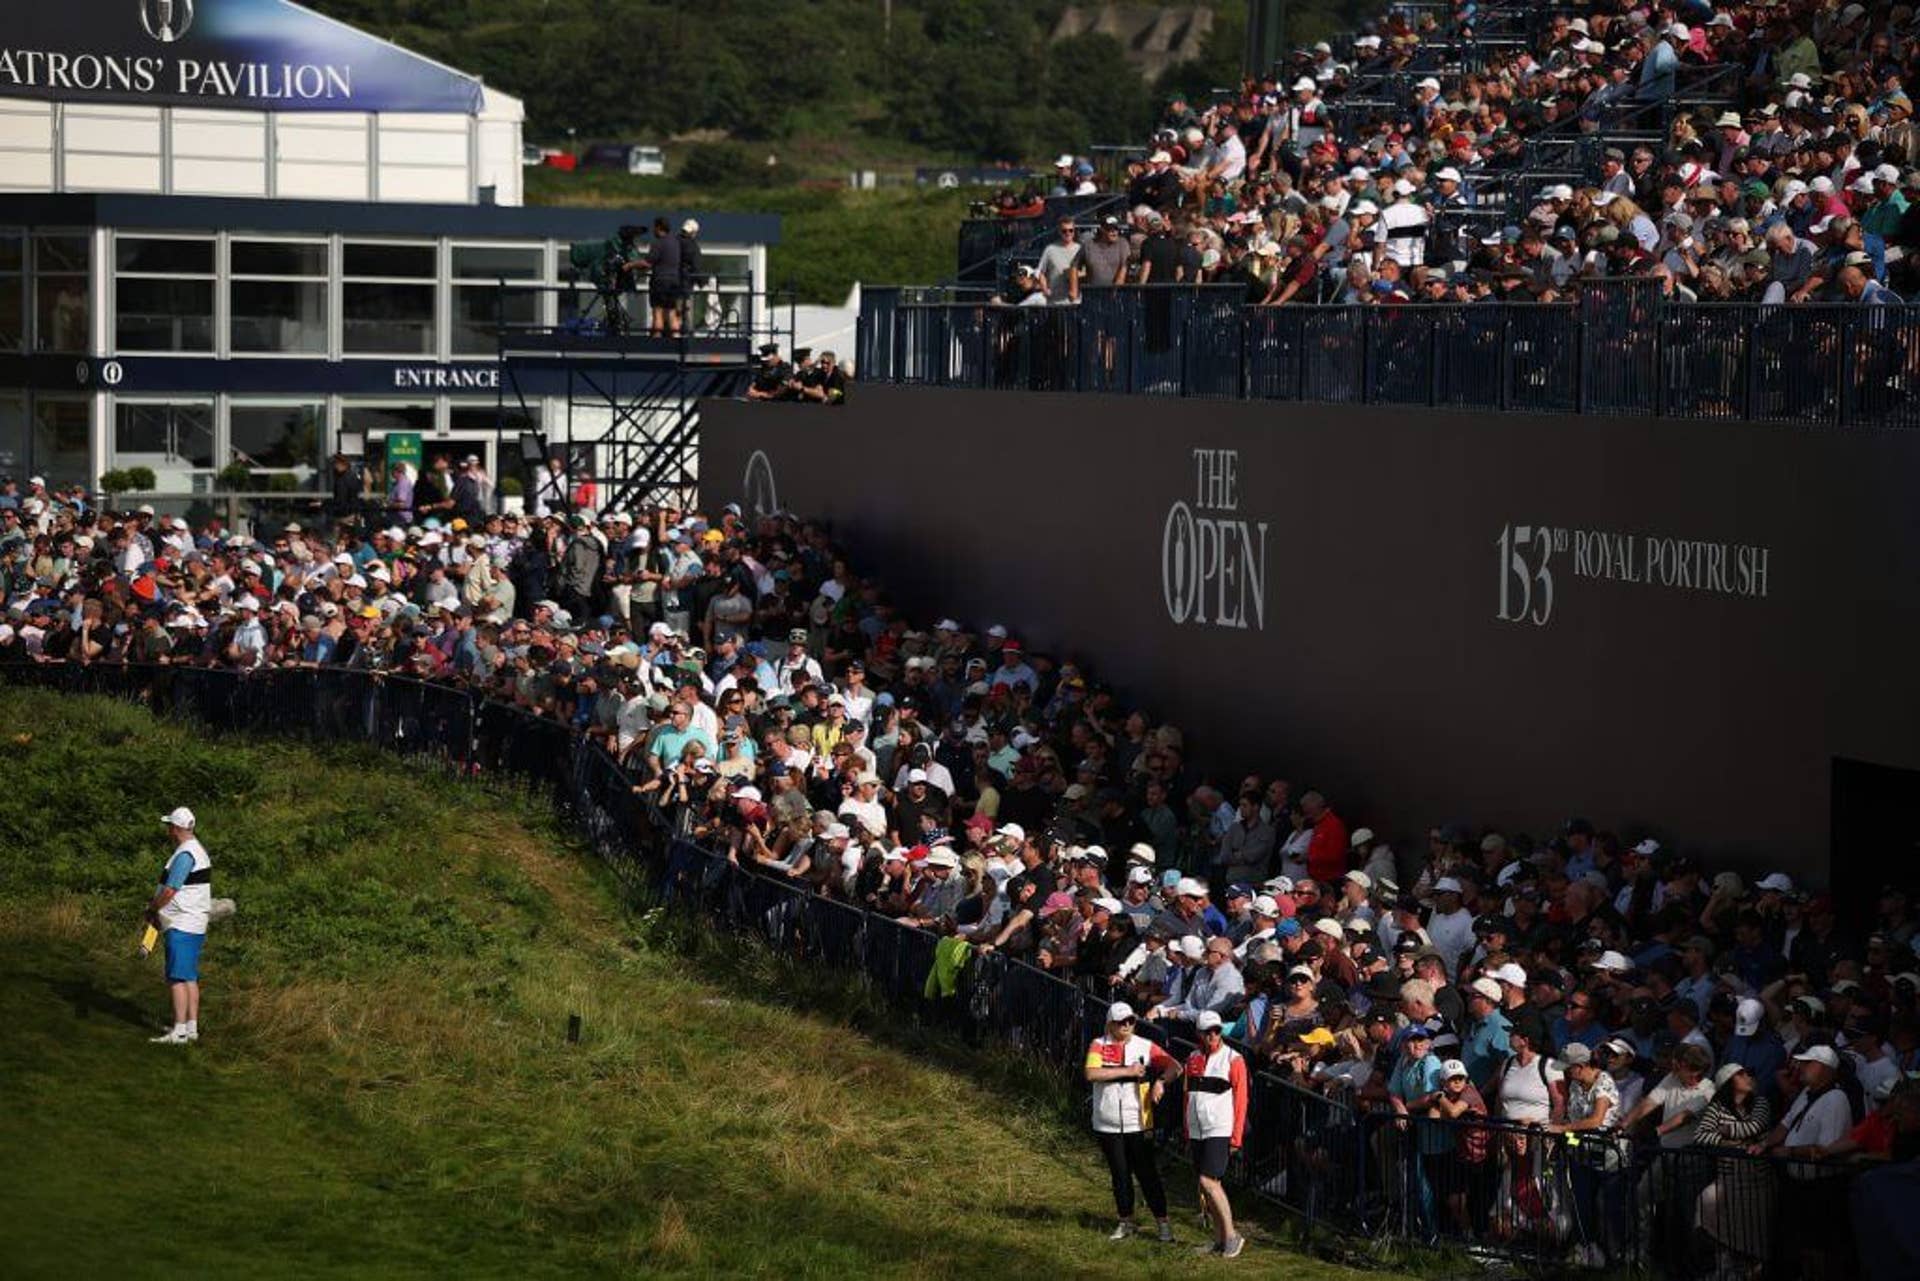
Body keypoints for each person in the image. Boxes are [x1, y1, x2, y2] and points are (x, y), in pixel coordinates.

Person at [1085, 1000, 1181, 1242]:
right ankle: (1125, 1221)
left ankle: (1163, 1223)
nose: (1126, 1026)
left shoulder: (1145, 1046)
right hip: (1106, 1121)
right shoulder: (1098, 1045)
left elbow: (1175, 1066)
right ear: (1110, 1024)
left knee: (1147, 1173)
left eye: (1130, 1021)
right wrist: (1126, 1072)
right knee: (1119, 1173)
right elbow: (1091, 1073)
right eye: (1121, 1022)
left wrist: (1161, 1082)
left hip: (1138, 1121)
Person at [1184, 1009, 1249, 1257]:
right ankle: (1220, 1239)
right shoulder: (1192, 1058)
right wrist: (1188, 1131)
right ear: (1199, 1033)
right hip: (1198, 1129)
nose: (1212, 1035)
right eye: (1207, 1031)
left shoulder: (1234, 1059)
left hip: (1219, 1127)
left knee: (1207, 1181)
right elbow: (1187, 1097)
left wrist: (1236, 1136)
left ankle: (1232, 1235)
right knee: (1209, 1185)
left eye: (1216, 1030)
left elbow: (1241, 1100)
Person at [147, 806, 211, 1045]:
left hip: (182, 922)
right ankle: (191, 1027)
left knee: (176, 977)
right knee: (189, 976)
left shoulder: (185, 855)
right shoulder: (197, 849)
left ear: (175, 828)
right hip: (195, 922)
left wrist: (153, 908)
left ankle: (179, 1031)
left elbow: (171, 890)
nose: (167, 830)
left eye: (169, 826)